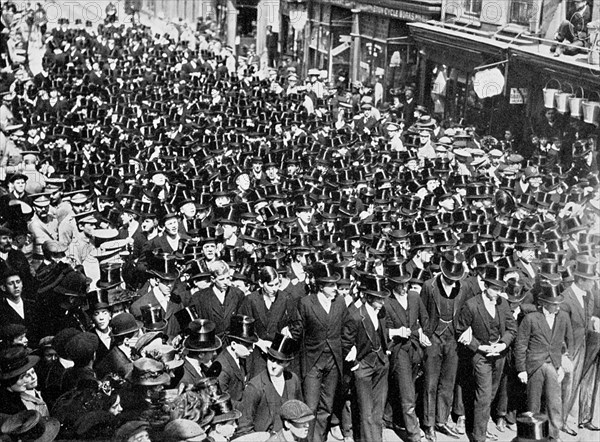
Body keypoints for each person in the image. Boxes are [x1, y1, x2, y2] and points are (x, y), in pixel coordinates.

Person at [456, 268, 517, 442]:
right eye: (494, 289)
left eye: (500, 289)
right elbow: (461, 331)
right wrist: (480, 347)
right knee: (483, 395)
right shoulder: (471, 305)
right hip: (480, 356)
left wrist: (502, 344)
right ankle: (479, 437)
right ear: (485, 286)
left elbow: (512, 328)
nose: (498, 293)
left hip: (499, 355)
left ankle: (480, 426)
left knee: (491, 394)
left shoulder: (503, 304)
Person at [290, 262, 347, 442]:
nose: (335, 289)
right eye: (331, 285)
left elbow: (346, 327)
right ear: (321, 286)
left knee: (326, 407)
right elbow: (297, 331)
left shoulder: (340, 302)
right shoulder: (306, 303)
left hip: (333, 361)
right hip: (312, 361)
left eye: (336, 284)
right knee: (311, 406)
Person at [385, 263, 430, 442]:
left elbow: (424, 320)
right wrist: (396, 332)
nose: (404, 287)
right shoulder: (387, 302)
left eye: (406, 283)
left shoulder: (414, 297)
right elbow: (382, 329)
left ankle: (389, 419)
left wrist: (421, 333)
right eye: (399, 284)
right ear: (392, 283)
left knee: (408, 388)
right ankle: (414, 435)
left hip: (415, 350)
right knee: (407, 394)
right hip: (398, 351)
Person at [342, 274, 390, 442]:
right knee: (366, 411)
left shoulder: (382, 312)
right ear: (368, 296)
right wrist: (355, 364)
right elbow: (345, 342)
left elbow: (385, 332)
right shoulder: (355, 315)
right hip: (363, 367)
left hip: (381, 364)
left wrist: (386, 352)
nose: (382, 302)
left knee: (378, 410)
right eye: (378, 298)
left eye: (382, 298)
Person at [236, 333, 303, 436]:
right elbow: (244, 428)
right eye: (271, 359)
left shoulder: (293, 380)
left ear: (287, 363)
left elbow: (300, 414)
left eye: (279, 362)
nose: (273, 365)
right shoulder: (255, 387)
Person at [215, 314, 256, 407]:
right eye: (248, 346)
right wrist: (245, 406)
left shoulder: (241, 357)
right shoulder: (222, 367)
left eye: (252, 345)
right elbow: (221, 400)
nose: (252, 349)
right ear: (233, 344)